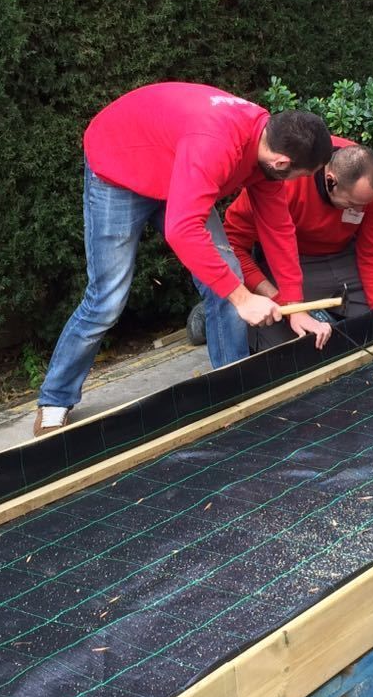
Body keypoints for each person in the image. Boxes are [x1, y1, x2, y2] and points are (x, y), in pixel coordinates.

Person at [35, 83, 335, 436]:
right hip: (120, 168)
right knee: (107, 299)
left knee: (229, 279)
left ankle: (231, 391)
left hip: (179, 170)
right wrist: (243, 299)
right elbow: (182, 230)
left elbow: (278, 227)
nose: (302, 182)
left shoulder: (268, 145)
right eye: (302, 175)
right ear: (282, 162)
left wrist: (295, 305)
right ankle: (55, 398)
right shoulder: (218, 144)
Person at [222, 138, 373, 351]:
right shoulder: (285, 180)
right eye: (352, 204)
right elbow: (231, 246)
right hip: (288, 263)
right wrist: (281, 302)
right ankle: (220, 309)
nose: (359, 211)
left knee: (372, 331)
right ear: (330, 181)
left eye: (364, 206)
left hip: (343, 259)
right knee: (298, 346)